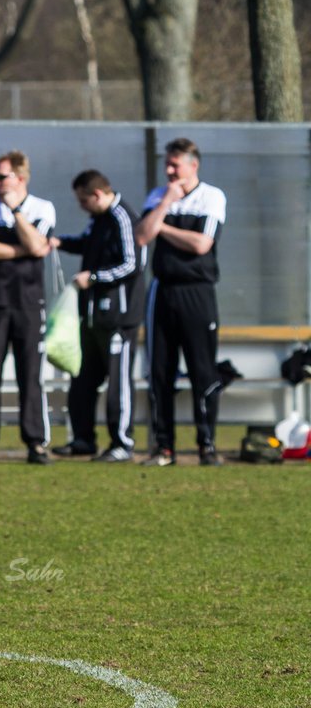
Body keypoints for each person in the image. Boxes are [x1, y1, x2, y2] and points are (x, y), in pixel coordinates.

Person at [135, 138, 227, 467]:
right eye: (168, 165)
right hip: (163, 290)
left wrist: (164, 227)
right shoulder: (159, 196)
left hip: (197, 291)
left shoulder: (211, 197)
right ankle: (164, 447)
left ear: (193, 165)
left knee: (203, 369)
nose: (170, 171)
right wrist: (165, 206)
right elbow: (142, 235)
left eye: (176, 165)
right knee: (160, 370)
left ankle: (207, 444)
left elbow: (202, 243)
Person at [51, 171, 146, 462]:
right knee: (83, 379)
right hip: (91, 317)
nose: (81, 206)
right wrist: (59, 242)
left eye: (83, 200)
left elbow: (133, 263)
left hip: (118, 317)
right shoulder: (99, 219)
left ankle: (121, 443)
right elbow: (87, 243)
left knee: (118, 383)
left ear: (97, 195)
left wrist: (94, 277)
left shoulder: (123, 217)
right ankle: (82, 439)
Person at [0, 150, 55, 466]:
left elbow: (38, 246)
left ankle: (36, 443)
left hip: (30, 303)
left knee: (31, 373)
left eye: (2, 176)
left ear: (20, 178)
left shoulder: (42, 208)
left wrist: (17, 212)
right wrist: (28, 248)